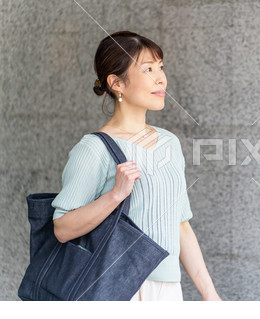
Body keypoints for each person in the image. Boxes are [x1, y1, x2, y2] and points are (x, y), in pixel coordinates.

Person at [51, 31, 221, 301]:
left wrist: (210, 296)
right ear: (117, 83)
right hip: (119, 289)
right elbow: (62, 228)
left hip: (168, 290)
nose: (161, 78)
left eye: (161, 67)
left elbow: (181, 225)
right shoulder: (94, 148)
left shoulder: (169, 143)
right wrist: (115, 195)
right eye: (148, 69)